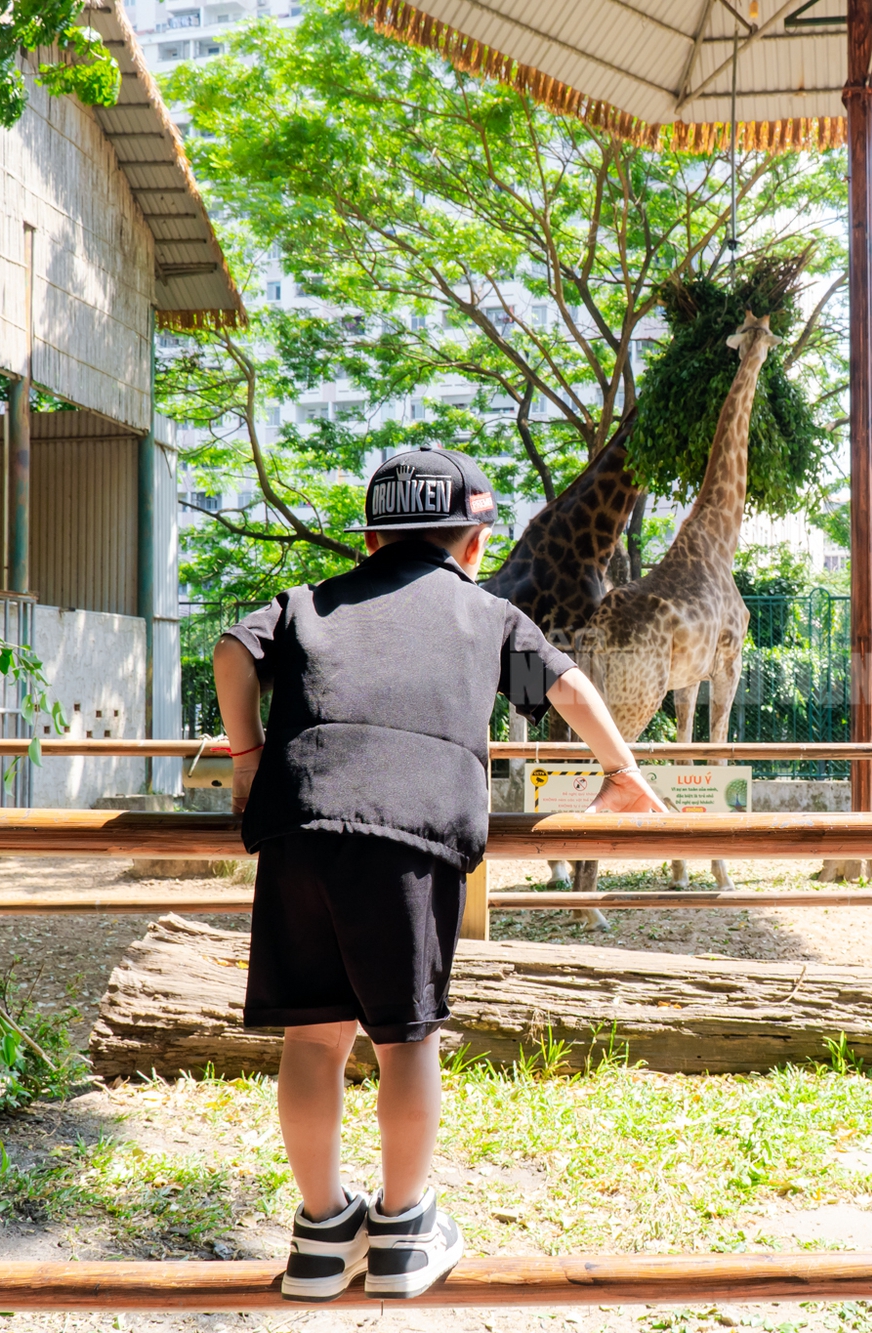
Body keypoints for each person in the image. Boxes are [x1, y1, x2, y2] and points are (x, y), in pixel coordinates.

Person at [213, 445, 662, 1302]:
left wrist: (247, 754)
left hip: (300, 821)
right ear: (474, 545)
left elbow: (232, 654)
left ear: (375, 538)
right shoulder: (484, 616)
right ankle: (404, 1227)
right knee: (404, 1035)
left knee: (313, 1037)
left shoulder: (311, 601)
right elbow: (565, 688)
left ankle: (320, 1235)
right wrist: (623, 770)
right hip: (407, 833)